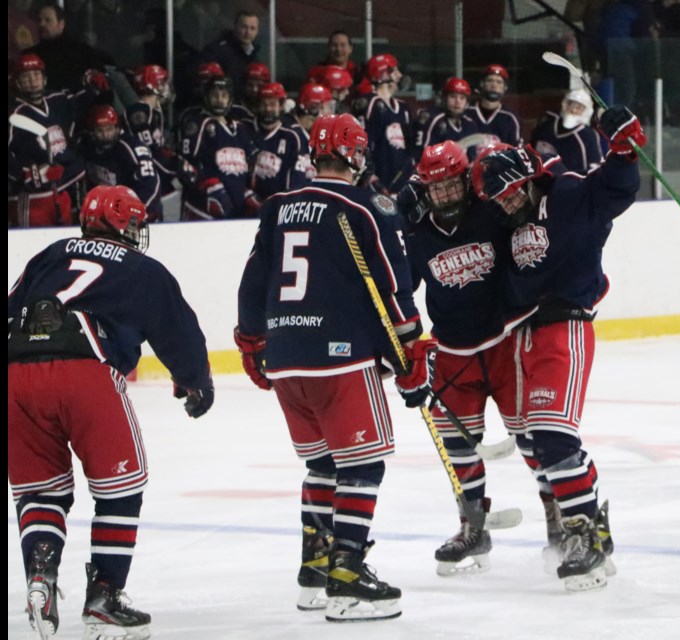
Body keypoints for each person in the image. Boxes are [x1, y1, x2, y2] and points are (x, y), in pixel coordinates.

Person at [235, 113, 435, 622]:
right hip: (341, 360)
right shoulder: (367, 207)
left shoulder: (277, 207)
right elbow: (395, 290)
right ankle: (347, 576)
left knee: (321, 464)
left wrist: (251, 344)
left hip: (285, 361)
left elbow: (252, 284)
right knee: (362, 464)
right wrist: (411, 354)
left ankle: (315, 569)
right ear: (355, 154)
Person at [8, 184, 214, 639]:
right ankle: (104, 595)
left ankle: (41, 573)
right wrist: (196, 380)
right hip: (84, 372)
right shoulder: (141, 267)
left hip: (16, 374)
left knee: (41, 493)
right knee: (121, 486)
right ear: (124, 223)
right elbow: (179, 330)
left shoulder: (50, 253)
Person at [470, 104, 647, 592]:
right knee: (533, 443)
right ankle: (588, 524)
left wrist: (624, 145)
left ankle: (583, 535)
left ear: (528, 178)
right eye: (497, 199)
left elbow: (617, 186)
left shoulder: (568, 194)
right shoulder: (506, 220)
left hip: (564, 329)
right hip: (520, 336)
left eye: (510, 194)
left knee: (552, 437)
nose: (506, 205)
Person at [397, 140, 565, 576]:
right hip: (453, 355)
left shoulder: (493, 214)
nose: (446, 196)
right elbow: (399, 289)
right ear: (425, 189)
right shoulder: (417, 235)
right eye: (436, 189)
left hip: (506, 343)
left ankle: (559, 522)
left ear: (464, 182)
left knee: (533, 440)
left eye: (452, 185)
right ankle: (473, 528)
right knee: (459, 446)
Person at [8, 53, 104, 227]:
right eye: (26, 76)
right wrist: (24, 174)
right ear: (17, 82)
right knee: (34, 245)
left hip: (67, 186)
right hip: (34, 195)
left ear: (44, 79)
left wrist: (93, 81)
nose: (32, 80)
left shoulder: (57, 100)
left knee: (74, 237)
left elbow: (82, 96)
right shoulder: (14, 113)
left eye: (36, 75)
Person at [179, 75, 260, 220]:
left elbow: (249, 166)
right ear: (206, 97)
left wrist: (247, 192)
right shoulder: (198, 124)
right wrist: (207, 185)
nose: (219, 100)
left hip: (235, 211)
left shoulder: (240, 129)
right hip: (201, 211)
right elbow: (184, 163)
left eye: (224, 95)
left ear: (230, 99)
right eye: (215, 95)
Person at [78, 104, 163, 222]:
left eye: (109, 129)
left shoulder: (132, 148)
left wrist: (138, 212)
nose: (105, 135)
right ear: (92, 131)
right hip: (106, 217)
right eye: (100, 131)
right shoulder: (86, 148)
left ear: (117, 128)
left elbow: (150, 185)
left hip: (137, 216)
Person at [355, 53, 414, 195]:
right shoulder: (370, 104)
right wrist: (371, 178)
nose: (399, 75)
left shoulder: (403, 107)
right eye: (395, 71)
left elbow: (410, 148)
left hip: (400, 185)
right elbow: (362, 146)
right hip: (378, 187)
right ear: (383, 74)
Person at [26, 2, 116, 93]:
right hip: (65, 101)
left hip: (93, 98)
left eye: (47, 20)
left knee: (116, 77)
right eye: (39, 20)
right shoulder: (32, 56)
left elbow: (99, 65)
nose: (42, 24)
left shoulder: (80, 49)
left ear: (61, 24)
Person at [244, 81, 309, 202]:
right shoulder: (244, 130)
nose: (268, 108)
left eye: (272, 104)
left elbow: (298, 178)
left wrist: (285, 203)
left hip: (279, 206)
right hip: (245, 205)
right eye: (264, 104)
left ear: (281, 106)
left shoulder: (292, 136)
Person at [123, 64, 179, 197]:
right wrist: (175, 168)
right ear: (150, 85)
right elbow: (148, 151)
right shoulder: (139, 112)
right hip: (141, 178)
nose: (165, 86)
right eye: (161, 82)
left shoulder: (153, 111)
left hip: (153, 174)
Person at [530, 88, 606, 174]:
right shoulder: (546, 126)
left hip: (575, 184)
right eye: (571, 104)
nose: (573, 110)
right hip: (544, 181)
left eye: (579, 107)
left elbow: (595, 167)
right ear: (564, 104)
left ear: (586, 111)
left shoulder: (588, 135)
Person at [414, 77, 480, 161]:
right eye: (453, 96)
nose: (457, 102)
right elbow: (425, 155)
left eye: (462, 98)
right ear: (444, 99)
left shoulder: (470, 124)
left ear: (467, 102)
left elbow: (472, 158)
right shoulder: (435, 120)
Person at [199, 9, 261, 91]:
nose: (248, 32)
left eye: (252, 28)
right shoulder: (216, 51)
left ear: (257, 31)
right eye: (244, 27)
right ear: (235, 27)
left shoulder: (253, 55)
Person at [466, 64, 523, 147]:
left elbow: (516, 151)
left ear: (505, 87)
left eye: (499, 82)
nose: (494, 85)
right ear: (482, 84)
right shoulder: (467, 112)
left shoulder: (511, 118)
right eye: (490, 80)